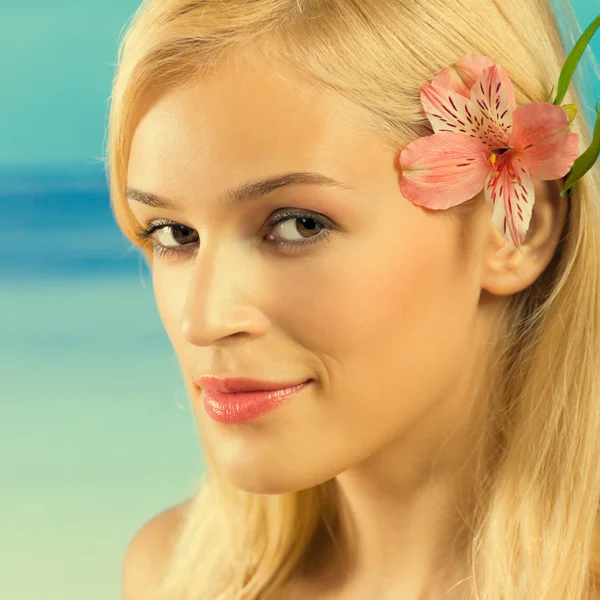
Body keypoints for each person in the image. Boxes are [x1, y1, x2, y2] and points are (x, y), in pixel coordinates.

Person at [105, 0, 600, 598]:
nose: (202, 320)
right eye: (173, 234)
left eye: (297, 226)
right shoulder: (169, 577)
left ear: (512, 227)